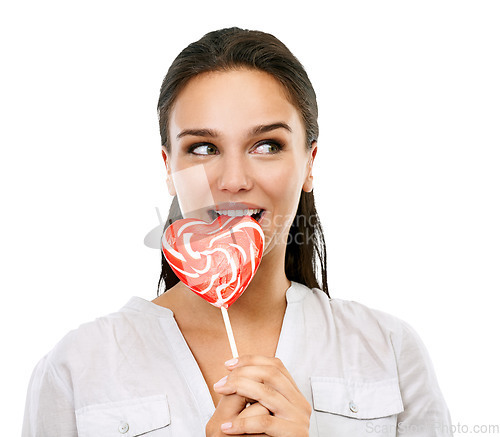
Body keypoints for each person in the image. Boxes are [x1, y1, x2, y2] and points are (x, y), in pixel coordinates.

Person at [22, 27, 453, 436]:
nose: (233, 180)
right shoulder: (76, 367)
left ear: (310, 164)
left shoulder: (390, 350)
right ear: (169, 170)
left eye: (267, 145)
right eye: (203, 148)